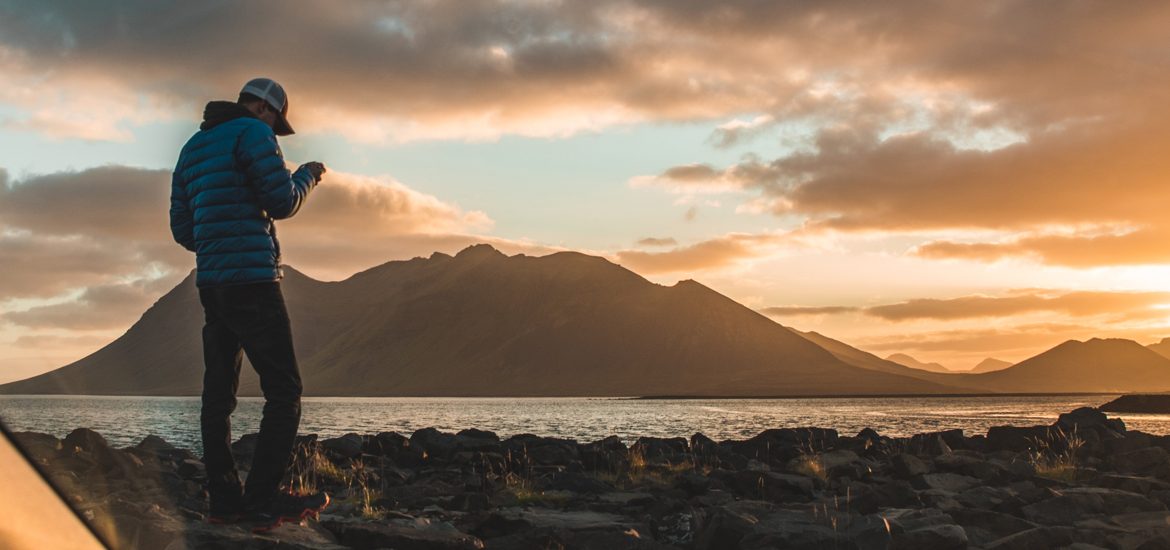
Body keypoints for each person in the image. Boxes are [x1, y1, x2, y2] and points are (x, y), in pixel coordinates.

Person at [169, 77, 328, 532]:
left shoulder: (192, 147)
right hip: (254, 281)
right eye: (277, 122)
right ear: (265, 109)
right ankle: (261, 503)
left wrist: (219, 238)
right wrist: (308, 176)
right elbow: (280, 202)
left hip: (212, 284)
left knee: (218, 397)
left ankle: (224, 502)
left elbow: (183, 229)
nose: (275, 132)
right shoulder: (253, 133)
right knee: (284, 392)